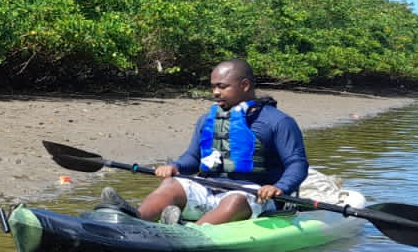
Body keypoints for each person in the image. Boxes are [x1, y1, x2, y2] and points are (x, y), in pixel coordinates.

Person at [101, 59, 308, 225]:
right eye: (213, 87)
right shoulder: (207, 120)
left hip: (255, 196)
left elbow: (297, 164)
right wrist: (175, 166)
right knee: (171, 183)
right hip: (209, 189)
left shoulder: (278, 121)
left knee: (236, 199)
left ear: (244, 85)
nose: (215, 93)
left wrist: (279, 187)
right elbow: (193, 158)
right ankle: (135, 221)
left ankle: (188, 233)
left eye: (222, 86)